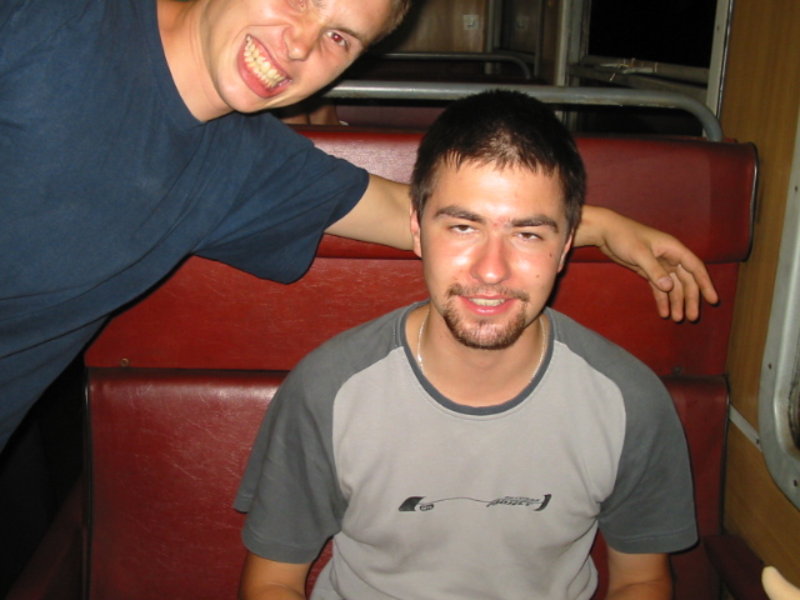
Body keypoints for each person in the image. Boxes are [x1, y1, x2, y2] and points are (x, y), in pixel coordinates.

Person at [0, 0, 716, 457]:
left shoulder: (247, 165)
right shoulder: (49, 19)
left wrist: (600, 227)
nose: (299, 46)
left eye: (339, 36)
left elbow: (421, 216)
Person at [235, 90, 697, 600]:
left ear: (566, 246)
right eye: (462, 227)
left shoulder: (629, 400)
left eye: (528, 235)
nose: (491, 270)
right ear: (417, 231)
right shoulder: (329, 389)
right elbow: (273, 581)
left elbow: (642, 579)